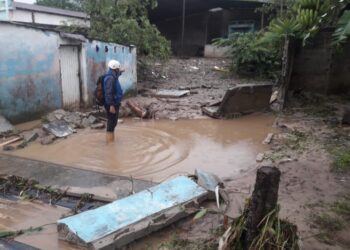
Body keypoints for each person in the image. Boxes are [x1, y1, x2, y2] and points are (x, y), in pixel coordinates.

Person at [104, 60, 124, 143]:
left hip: (114, 103)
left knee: (113, 122)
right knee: (111, 123)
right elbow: (108, 93)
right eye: (118, 69)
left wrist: (121, 72)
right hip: (111, 104)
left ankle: (111, 140)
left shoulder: (112, 75)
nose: (118, 70)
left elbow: (116, 76)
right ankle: (109, 143)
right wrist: (111, 105)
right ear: (115, 69)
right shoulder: (110, 78)